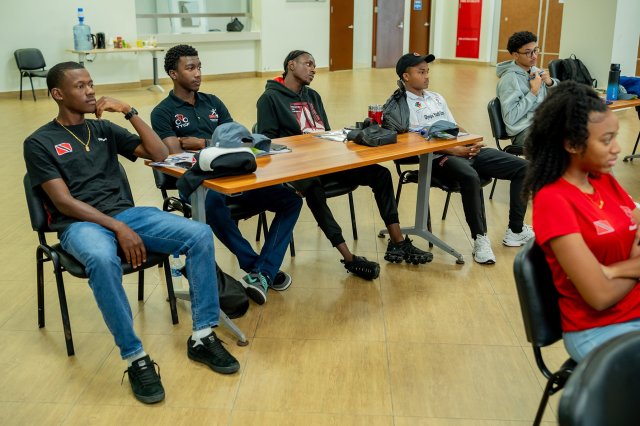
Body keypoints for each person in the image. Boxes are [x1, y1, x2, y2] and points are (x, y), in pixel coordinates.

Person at [23, 62, 239, 404]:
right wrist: (117, 227)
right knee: (101, 258)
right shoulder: (39, 142)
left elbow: (160, 155)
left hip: (127, 214)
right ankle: (135, 357)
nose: (90, 91)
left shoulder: (104, 129)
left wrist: (129, 111)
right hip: (78, 225)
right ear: (58, 94)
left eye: (91, 84)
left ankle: (202, 335)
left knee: (198, 235)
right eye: (80, 86)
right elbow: (63, 202)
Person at [256, 50, 432, 280]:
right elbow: (267, 143)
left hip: (327, 160)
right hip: (297, 168)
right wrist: (302, 150)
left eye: (314, 65)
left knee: (380, 174)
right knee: (314, 189)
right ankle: (349, 258)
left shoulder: (313, 96)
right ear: (291, 65)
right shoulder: (269, 99)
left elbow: (325, 132)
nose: (313, 69)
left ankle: (398, 242)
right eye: (308, 64)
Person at [151, 45, 302, 305]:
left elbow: (238, 141)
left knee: (291, 200)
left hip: (233, 177)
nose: (198, 73)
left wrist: (201, 143)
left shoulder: (213, 103)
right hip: (197, 185)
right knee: (212, 202)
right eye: (190, 68)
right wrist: (215, 144)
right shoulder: (163, 112)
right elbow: (175, 152)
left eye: (199, 67)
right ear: (173, 74)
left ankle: (262, 272)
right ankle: (258, 268)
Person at [524, 80, 640, 362]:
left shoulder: (602, 180)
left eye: (615, 137)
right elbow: (599, 295)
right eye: (606, 140)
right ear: (572, 144)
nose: (617, 148)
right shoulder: (553, 201)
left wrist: (613, 270)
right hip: (602, 330)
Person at [382, 53, 534, 264]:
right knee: (470, 176)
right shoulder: (400, 106)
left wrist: (471, 141)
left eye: (427, 71)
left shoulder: (436, 97)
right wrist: (455, 151)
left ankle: (516, 230)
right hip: (435, 159)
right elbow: (412, 142)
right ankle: (480, 239)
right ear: (406, 76)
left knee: (524, 167)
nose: (427, 76)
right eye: (421, 72)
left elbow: (454, 127)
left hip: (461, 149)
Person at [496, 31, 559, 148]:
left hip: (542, 124)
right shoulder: (509, 80)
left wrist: (550, 83)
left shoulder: (535, 71)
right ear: (516, 55)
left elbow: (558, 99)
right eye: (528, 52)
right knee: (557, 145)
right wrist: (533, 92)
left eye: (535, 50)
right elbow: (510, 118)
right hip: (524, 131)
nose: (534, 56)